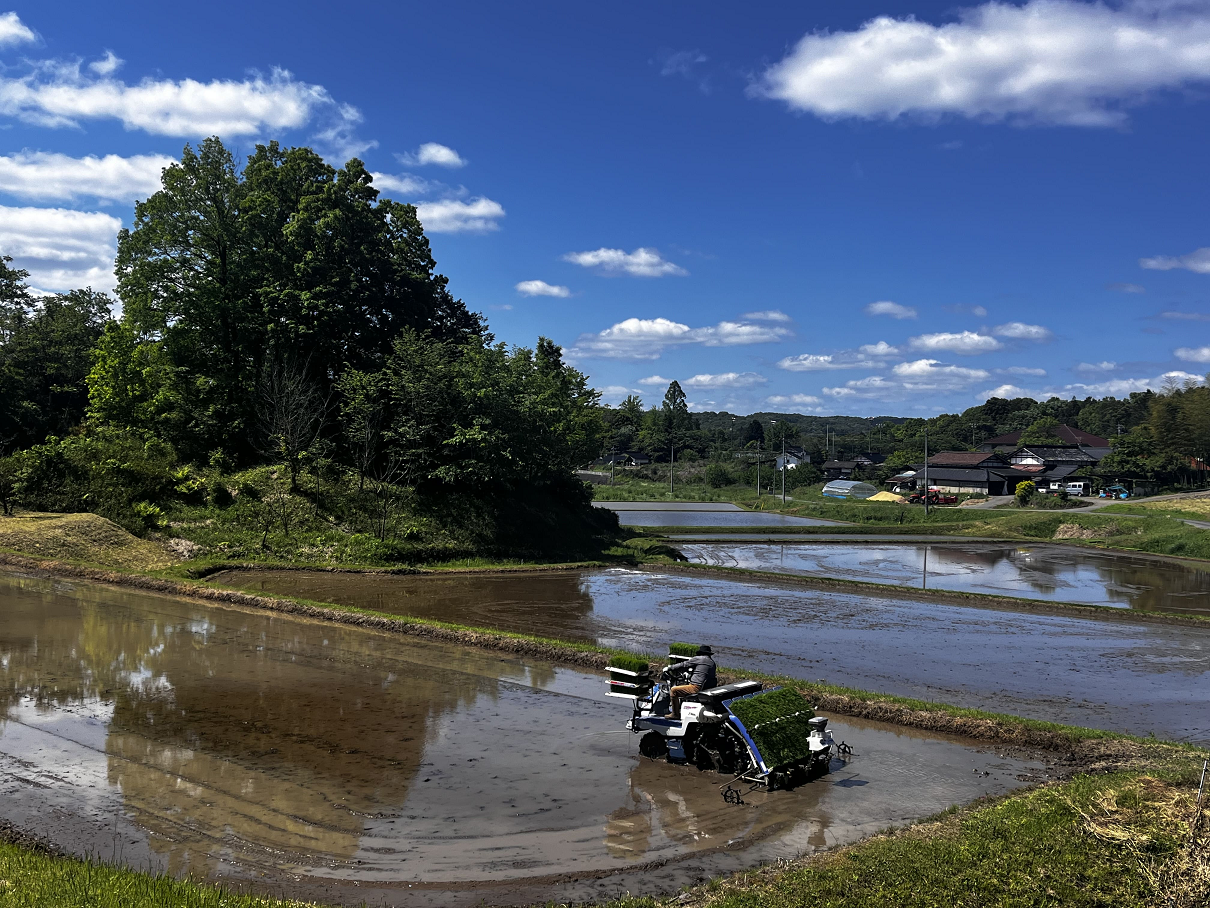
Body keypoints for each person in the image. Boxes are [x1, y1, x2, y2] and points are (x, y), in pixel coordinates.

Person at [668, 645, 717, 718]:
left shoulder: (699, 659)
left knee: (673, 690)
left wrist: (670, 668)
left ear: (701, 653)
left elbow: (684, 664)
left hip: (695, 687)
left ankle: (675, 714)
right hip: (705, 688)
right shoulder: (712, 662)